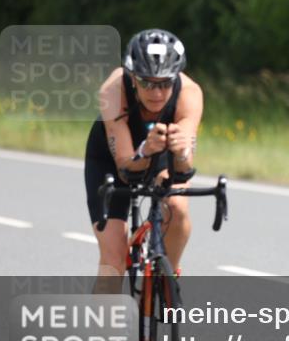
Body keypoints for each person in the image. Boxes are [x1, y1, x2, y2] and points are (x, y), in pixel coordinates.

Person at [84, 29, 203, 290]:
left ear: (175, 79)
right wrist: (146, 150)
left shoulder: (190, 94)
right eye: (147, 83)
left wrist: (181, 152)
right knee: (113, 260)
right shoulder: (113, 91)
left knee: (178, 209)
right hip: (110, 159)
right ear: (132, 77)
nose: (157, 92)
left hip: (162, 155)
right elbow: (126, 169)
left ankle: (164, 279)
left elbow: (183, 171)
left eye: (164, 83)